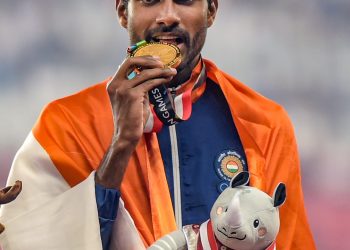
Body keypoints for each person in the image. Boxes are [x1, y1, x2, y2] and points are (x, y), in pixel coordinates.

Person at [0, 0, 316, 249]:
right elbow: (28, 242)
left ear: (211, 10)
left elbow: (288, 244)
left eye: (184, 0)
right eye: (150, 0)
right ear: (123, 11)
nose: (167, 16)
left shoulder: (264, 124)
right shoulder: (65, 125)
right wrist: (120, 146)